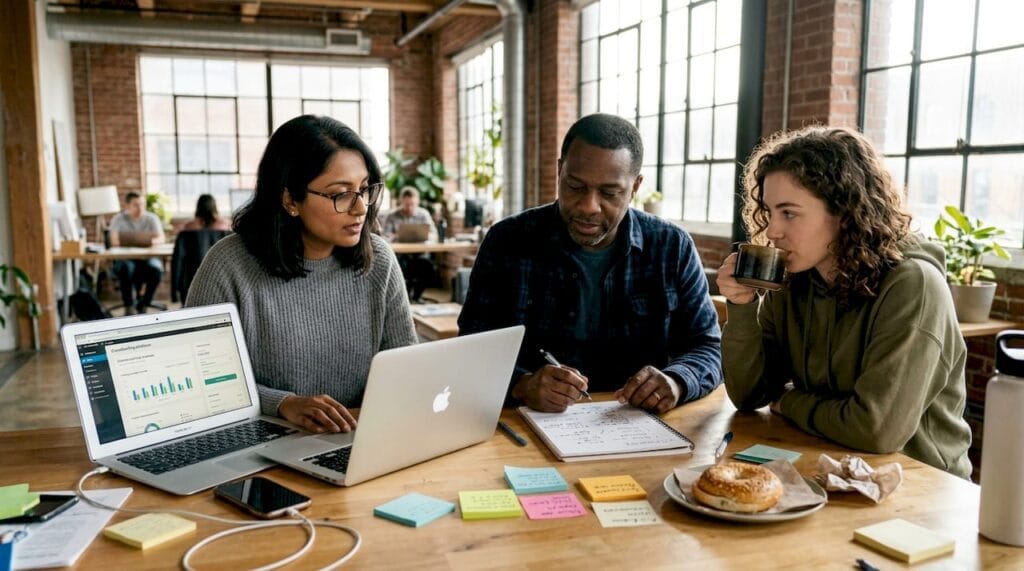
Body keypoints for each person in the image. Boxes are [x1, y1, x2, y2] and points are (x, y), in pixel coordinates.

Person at [717, 126, 972, 478]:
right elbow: (748, 395)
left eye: (789, 213)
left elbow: (876, 430)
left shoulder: (914, 286)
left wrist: (789, 401)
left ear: (844, 211)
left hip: (917, 486)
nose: (772, 230)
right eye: (770, 212)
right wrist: (742, 306)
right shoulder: (796, 279)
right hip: (831, 467)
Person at [459, 113, 722, 414]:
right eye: (575, 186)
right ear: (559, 171)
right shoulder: (508, 241)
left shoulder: (671, 247)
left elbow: (708, 347)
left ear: (635, 187)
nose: (589, 207)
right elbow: (471, 350)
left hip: (640, 428)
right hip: (528, 429)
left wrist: (677, 381)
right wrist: (523, 384)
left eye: (610, 193)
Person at [186, 115, 417, 434]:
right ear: (291, 199)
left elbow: (406, 370)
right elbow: (199, 379)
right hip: (261, 438)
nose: (360, 208)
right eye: (341, 194)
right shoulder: (229, 265)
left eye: (364, 190)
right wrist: (282, 404)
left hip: (358, 436)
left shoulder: (379, 260)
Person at [107, 191, 165, 314]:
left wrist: (151, 241)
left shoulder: (151, 218)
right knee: (126, 268)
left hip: (147, 258)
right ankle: (129, 306)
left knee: (157, 269)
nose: (140, 208)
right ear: (127, 206)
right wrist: (143, 240)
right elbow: (114, 241)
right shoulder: (118, 219)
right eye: (136, 205)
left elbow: (161, 239)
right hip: (125, 259)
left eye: (142, 204)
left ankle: (144, 303)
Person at [381, 186, 438, 301]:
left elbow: (434, 234)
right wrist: (396, 236)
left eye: (413, 204)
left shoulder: (424, 214)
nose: (410, 207)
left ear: (417, 202)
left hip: (420, 254)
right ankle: (404, 298)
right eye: (407, 205)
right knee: (401, 266)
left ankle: (417, 296)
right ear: (401, 202)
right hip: (400, 255)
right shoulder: (392, 216)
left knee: (428, 267)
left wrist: (427, 237)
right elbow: (384, 237)